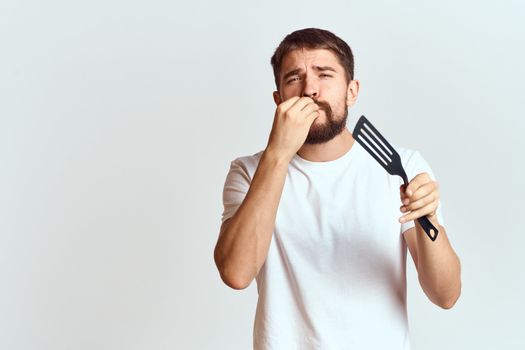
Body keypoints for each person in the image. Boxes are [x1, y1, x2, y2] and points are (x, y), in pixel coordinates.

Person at [213, 28, 461, 350]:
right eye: (293, 78)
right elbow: (236, 273)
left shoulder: (403, 168)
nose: (310, 90)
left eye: (324, 74)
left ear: (352, 91)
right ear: (279, 100)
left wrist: (428, 218)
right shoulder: (248, 172)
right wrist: (277, 154)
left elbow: (446, 294)